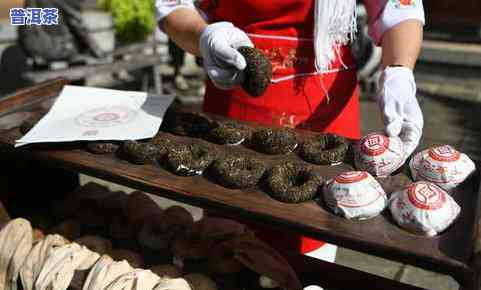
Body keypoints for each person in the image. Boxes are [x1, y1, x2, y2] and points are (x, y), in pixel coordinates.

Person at [155, 0, 425, 259]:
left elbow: (399, 7)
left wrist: (399, 71)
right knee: (228, 248)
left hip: (326, 110)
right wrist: (205, 37)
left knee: (313, 249)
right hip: (238, 95)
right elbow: (173, 6)